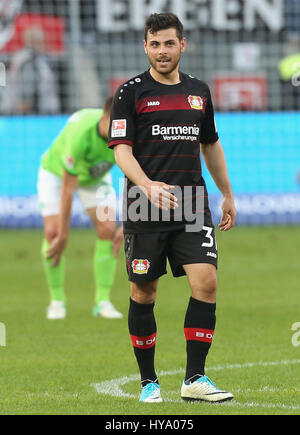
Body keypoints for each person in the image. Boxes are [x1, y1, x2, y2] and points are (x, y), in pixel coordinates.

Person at [108, 13, 236, 403]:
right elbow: (122, 152)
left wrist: (227, 193)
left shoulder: (199, 91)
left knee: (207, 282)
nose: (161, 51)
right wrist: (145, 186)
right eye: (154, 43)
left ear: (183, 45)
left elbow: (210, 144)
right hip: (143, 206)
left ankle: (194, 378)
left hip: (193, 204)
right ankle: (149, 381)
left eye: (168, 43)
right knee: (144, 292)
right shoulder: (130, 93)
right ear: (145, 46)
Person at [38, 96, 124, 320]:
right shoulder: (81, 133)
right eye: (113, 125)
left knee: (108, 229)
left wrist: (129, 222)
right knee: (54, 233)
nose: (117, 132)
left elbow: (138, 174)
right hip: (55, 175)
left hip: (96, 179)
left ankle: (102, 302)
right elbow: (68, 189)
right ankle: (57, 301)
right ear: (103, 118)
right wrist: (65, 235)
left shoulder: (128, 133)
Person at [1, 25, 60, 114]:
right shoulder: (30, 62)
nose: (45, 44)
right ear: (34, 42)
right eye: (42, 41)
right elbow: (26, 100)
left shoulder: (25, 58)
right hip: (37, 117)